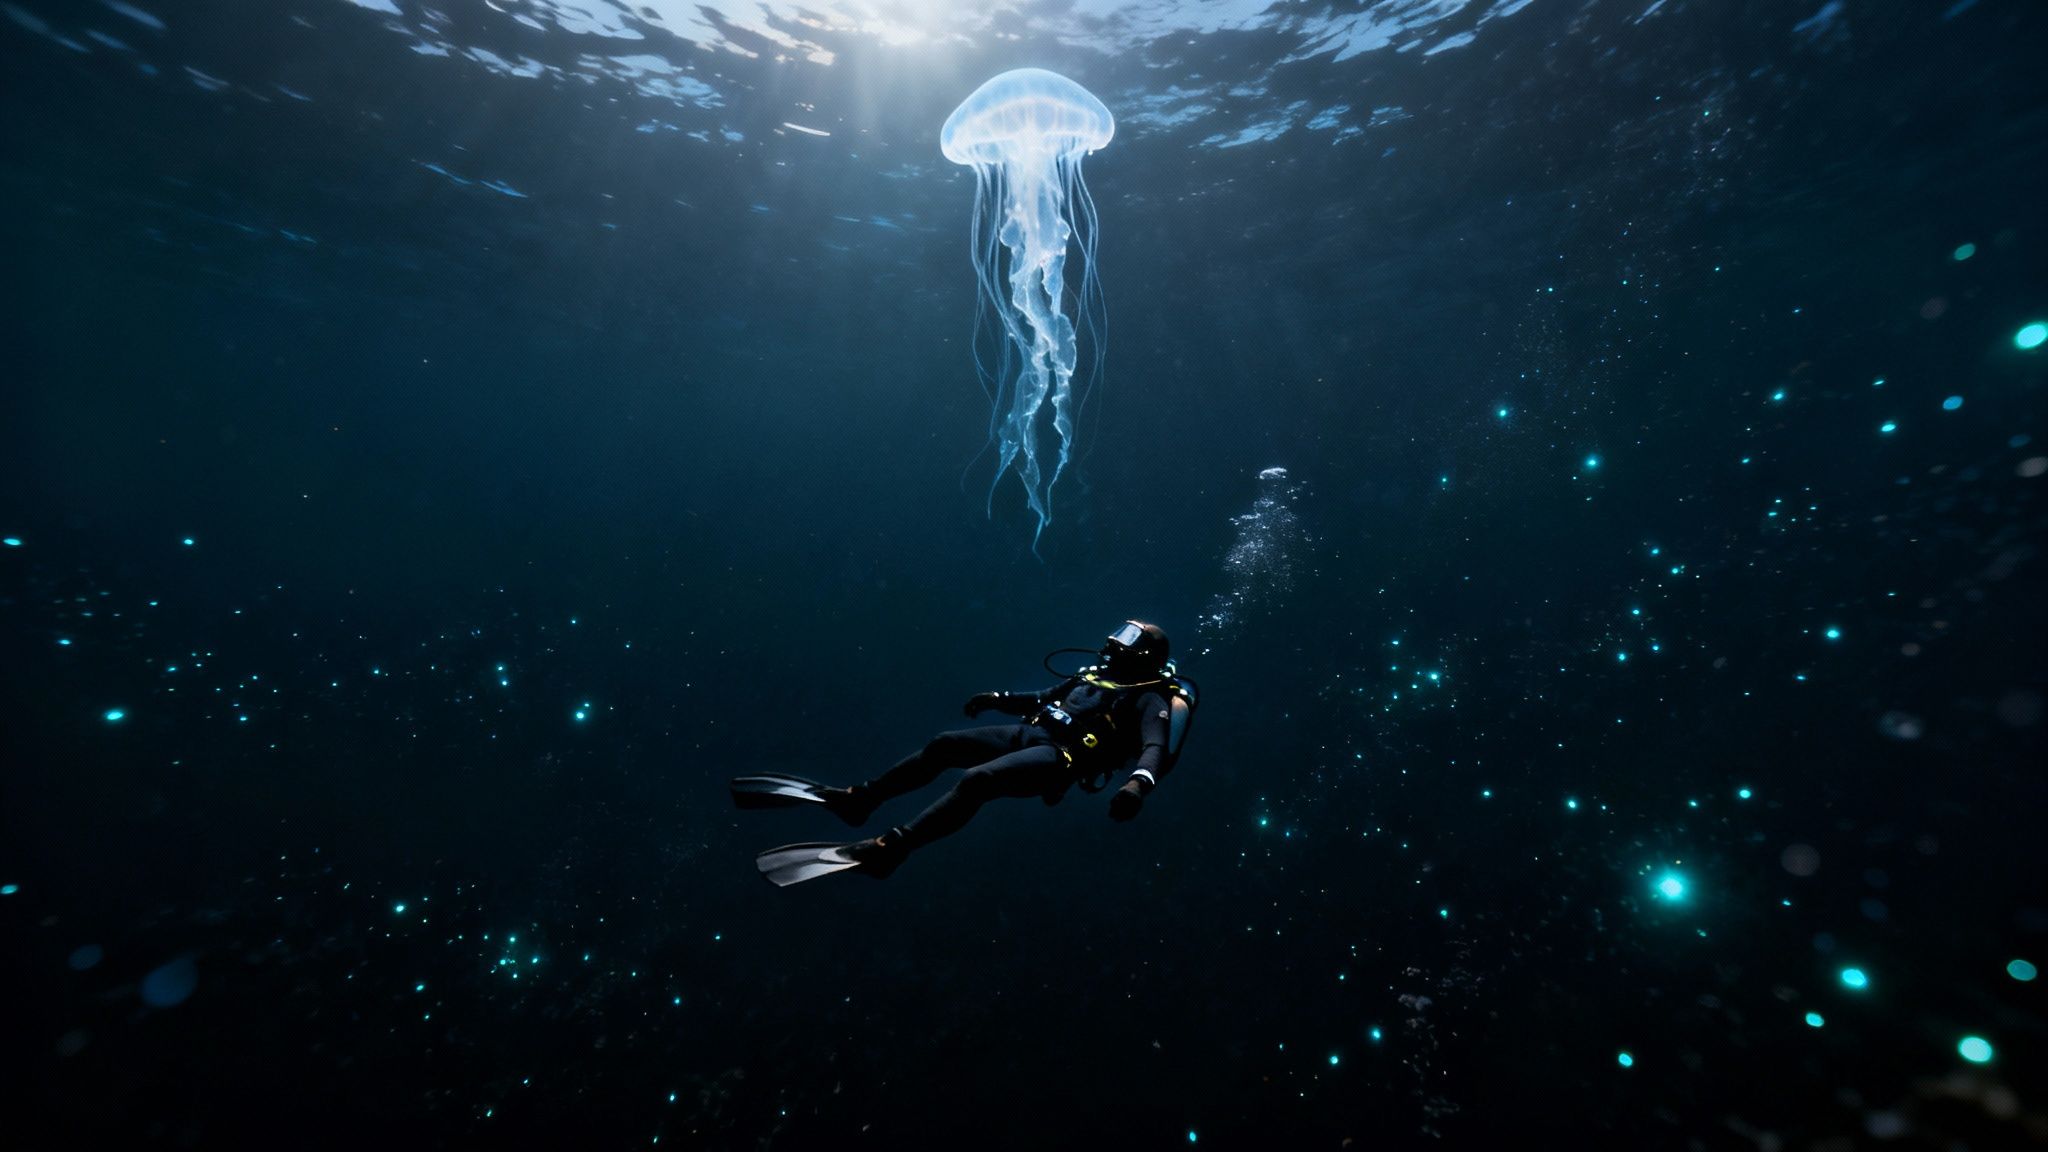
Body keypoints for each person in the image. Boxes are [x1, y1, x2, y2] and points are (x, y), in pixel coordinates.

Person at [732, 620, 1197, 886]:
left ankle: (893, 847)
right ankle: (862, 800)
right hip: (1027, 735)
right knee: (944, 745)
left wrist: (1138, 785)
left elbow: (1155, 746)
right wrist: (997, 697)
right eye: (1121, 632)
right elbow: (1042, 697)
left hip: (1060, 760)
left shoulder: (1150, 696)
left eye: (1131, 639)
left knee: (977, 781)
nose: (1117, 641)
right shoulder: (1094, 675)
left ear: (1146, 655)